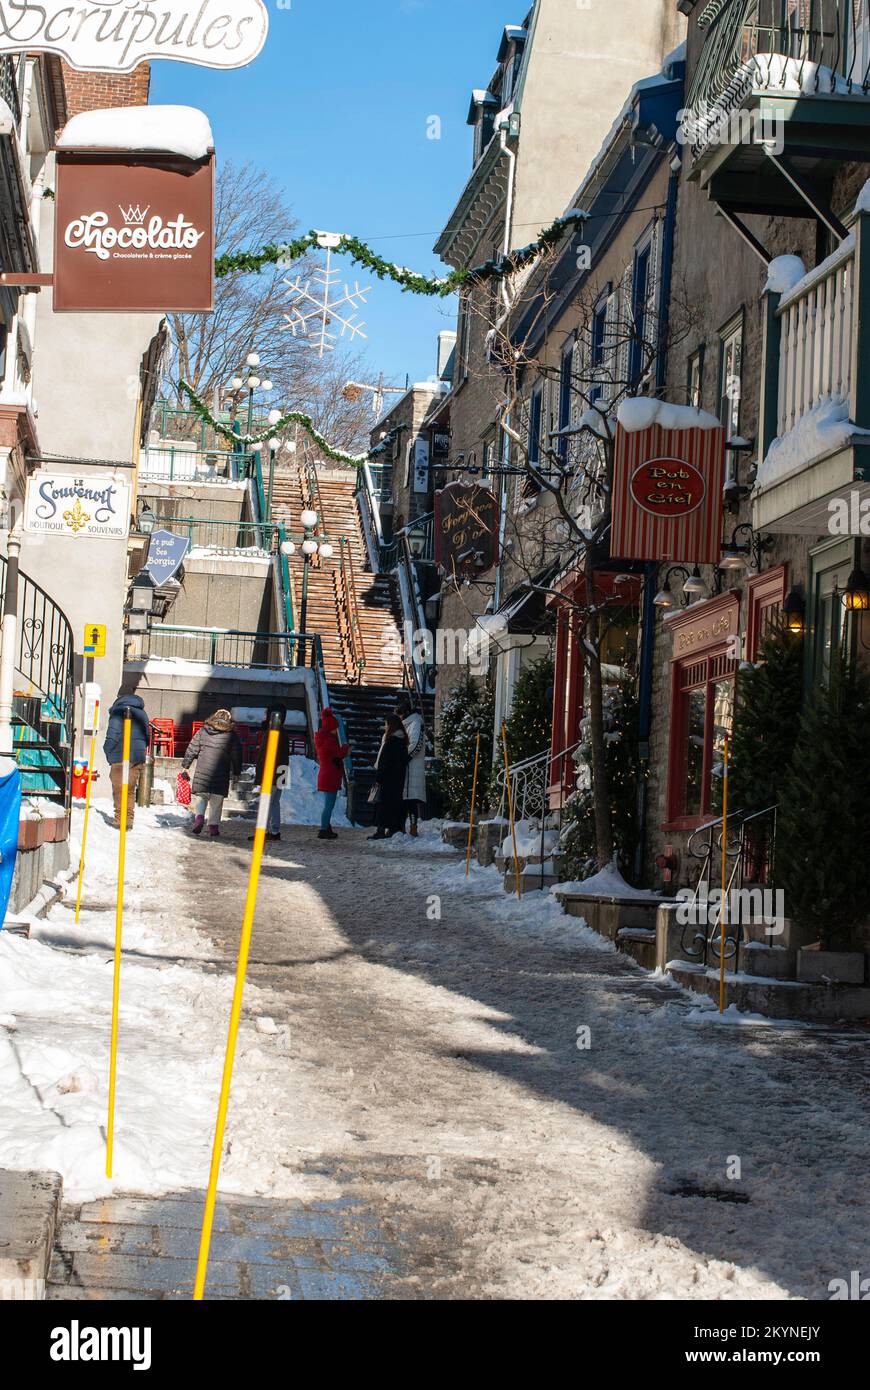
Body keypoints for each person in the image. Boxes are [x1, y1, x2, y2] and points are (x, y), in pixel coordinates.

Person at [180, 709, 242, 838]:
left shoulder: (203, 731)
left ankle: (199, 819)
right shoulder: (231, 735)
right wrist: (237, 772)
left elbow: (192, 748)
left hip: (203, 770)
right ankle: (213, 827)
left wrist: (186, 766)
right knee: (216, 800)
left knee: (202, 797)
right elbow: (237, 755)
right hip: (221, 772)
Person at [103, 687, 151, 831]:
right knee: (129, 789)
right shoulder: (142, 713)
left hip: (120, 755)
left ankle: (119, 819)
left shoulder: (118, 712)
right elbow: (147, 736)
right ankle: (129, 819)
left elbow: (113, 734)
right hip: (136, 757)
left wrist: (107, 750)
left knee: (119, 789)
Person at [253, 706, 291, 843]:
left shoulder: (271, 732)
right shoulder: (284, 732)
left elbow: (263, 755)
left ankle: (263, 831)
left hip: (271, 771)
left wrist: (259, 775)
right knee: (275, 803)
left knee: (266, 802)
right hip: (281, 770)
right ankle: (274, 831)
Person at [369, 714, 409, 841]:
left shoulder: (390, 741)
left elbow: (383, 762)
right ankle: (393, 828)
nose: (385, 727)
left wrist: (378, 778)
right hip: (398, 779)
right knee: (394, 804)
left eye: (386, 724)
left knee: (382, 804)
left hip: (386, 779)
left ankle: (381, 829)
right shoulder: (402, 741)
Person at [314, 708, 349, 841]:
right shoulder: (329, 741)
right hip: (330, 777)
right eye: (335, 728)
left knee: (328, 804)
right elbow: (339, 754)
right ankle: (323, 829)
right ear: (330, 728)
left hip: (326, 775)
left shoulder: (322, 739)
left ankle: (326, 827)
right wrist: (345, 747)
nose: (336, 731)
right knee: (329, 805)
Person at [397, 695, 427, 837]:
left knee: (411, 800)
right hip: (407, 767)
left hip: (412, 767)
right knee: (405, 800)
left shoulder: (415, 723)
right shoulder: (409, 724)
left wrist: (404, 757)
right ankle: (402, 826)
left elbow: (415, 744)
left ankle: (413, 826)